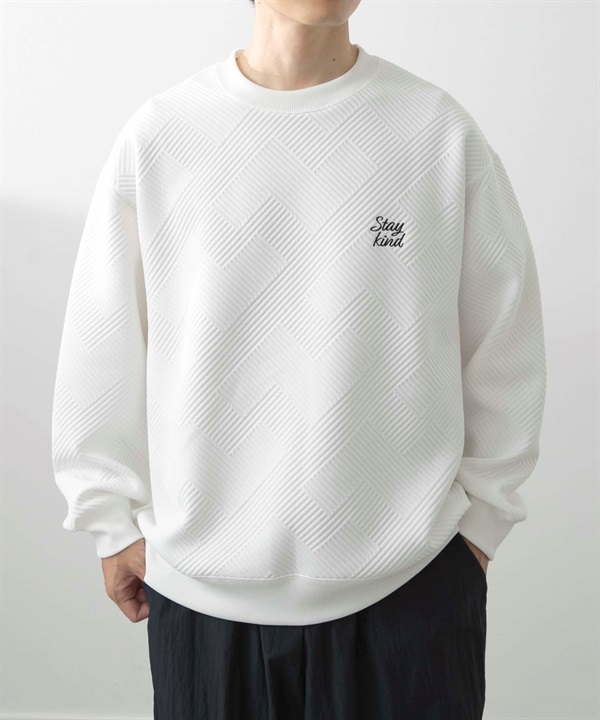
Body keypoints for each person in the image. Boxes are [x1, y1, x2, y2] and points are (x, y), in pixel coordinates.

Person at [51, 1, 547, 718]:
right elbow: (104, 339)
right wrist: (110, 521)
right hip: (203, 594)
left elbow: (505, 340)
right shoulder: (164, 135)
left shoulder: (436, 132)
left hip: (411, 589)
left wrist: (482, 526)